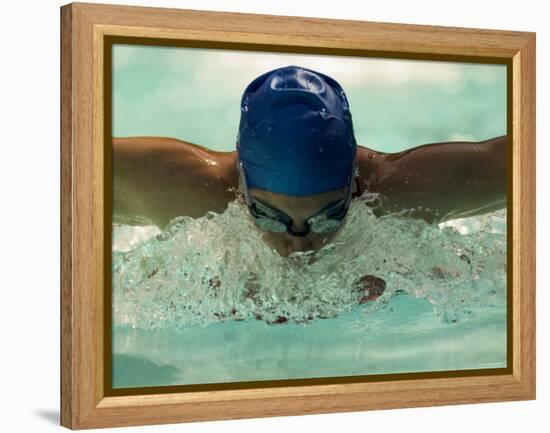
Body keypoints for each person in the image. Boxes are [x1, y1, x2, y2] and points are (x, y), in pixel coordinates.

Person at [113, 65, 507, 260]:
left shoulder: (404, 193)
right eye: (268, 216)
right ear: (241, 183)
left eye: (328, 216)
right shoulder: (183, 190)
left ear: (354, 184)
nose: (300, 246)